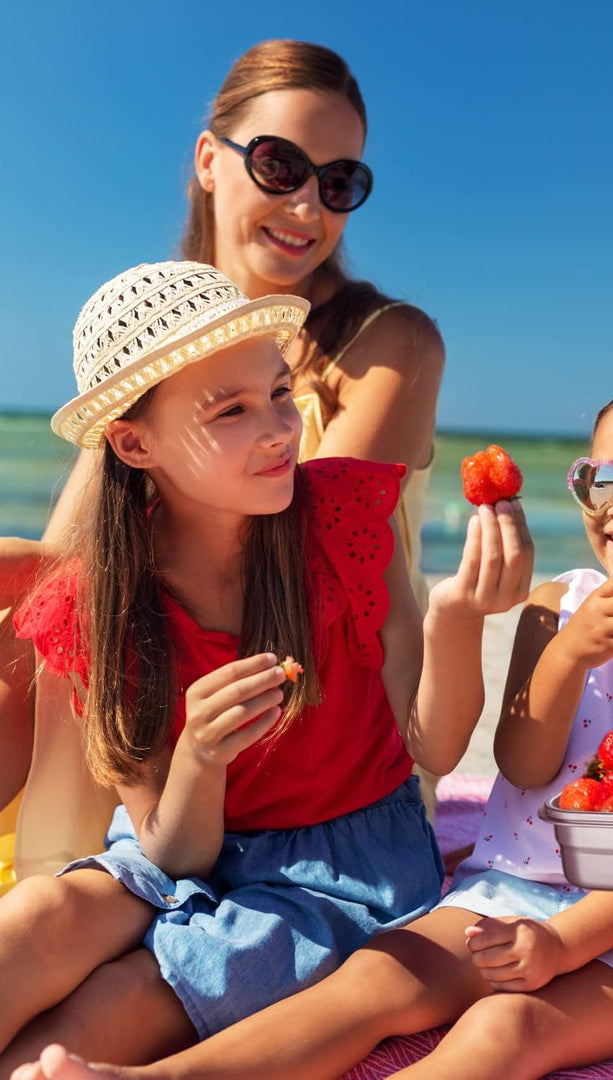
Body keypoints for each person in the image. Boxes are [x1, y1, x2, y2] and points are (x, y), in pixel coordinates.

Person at [11, 371, 613, 1080]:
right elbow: (524, 760)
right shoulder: (558, 610)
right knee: (373, 981)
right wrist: (570, 654)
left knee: (502, 1030)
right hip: (508, 890)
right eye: (599, 479)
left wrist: (564, 946)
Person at [0, 259, 532, 1074]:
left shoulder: (348, 518)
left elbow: (432, 746)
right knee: (44, 912)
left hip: (342, 868)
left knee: (137, 996)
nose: (281, 427)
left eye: (280, 393)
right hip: (182, 848)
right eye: (232, 411)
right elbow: (172, 854)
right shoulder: (98, 601)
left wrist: (460, 619)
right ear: (134, 442)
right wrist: (201, 760)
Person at [2, 38, 446, 885]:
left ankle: (50, 877)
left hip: (323, 739)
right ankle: (47, 886)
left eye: (340, 181)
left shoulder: (391, 342)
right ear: (211, 159)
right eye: (281, 165)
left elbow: (290, 533)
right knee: (43, 635)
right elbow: (73, 562)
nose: (310, 207)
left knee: (71, 628)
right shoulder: (154, 355)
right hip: (190, 726)